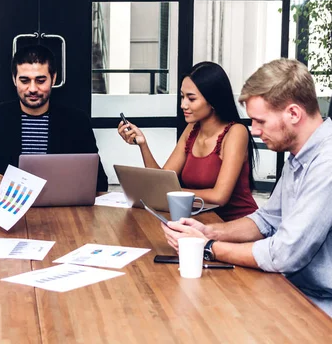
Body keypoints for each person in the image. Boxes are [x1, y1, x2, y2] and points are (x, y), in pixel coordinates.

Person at [162, 59, 332, 316]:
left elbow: (284, 254)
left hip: (321, 303)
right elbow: (266, 220)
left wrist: (207, 247)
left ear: (294, 114)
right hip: (294, 289)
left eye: (260, 121)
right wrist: (209, 230)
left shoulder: (327, 161)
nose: (253, 130)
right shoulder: (300, 155)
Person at [0, 45, 108, 191]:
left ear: (53, 79)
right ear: (14, 79)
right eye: (25, 80)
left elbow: (100, 182)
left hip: (61, 208)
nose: (33, 89)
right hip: (6, 208)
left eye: (41, 81)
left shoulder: (77, 122)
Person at [118, 62, 258, 221]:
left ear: (212, 100)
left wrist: (172, 193)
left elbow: (220, 196)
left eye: (191, 98)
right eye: (182, 96)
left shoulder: (236, 132)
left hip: (237, 225)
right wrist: (142, 144)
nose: (183, 105)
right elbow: (162, 180)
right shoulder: (192, 129)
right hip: (201, 221)